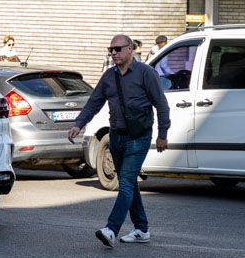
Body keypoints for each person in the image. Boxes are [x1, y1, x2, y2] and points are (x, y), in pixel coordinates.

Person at [68, 34, 170, 247]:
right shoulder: (109, 76)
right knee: (129, 183)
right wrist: (79, 124)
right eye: (110, 49)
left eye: (117, 49)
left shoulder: (146, 73)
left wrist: (162, 135)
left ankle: (111, 229)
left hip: (138, 137)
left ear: (130, 49)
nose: (113, 53)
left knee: (124, 183)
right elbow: (94, 103)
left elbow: (161, 104)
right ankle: (142, 229)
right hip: (116, 136)